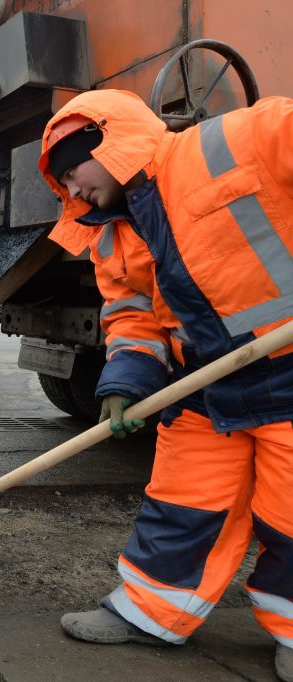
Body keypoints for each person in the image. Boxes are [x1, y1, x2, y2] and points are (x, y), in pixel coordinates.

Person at [38, 89, 293, 681]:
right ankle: (152, 613)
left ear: (105, 141)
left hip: (288, 373)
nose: (72, 194)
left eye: (71, 173)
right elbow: (132, 316)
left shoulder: (234, 142)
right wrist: (124, 383)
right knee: (182, 503)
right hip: (203, 383)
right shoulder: (111, 233)